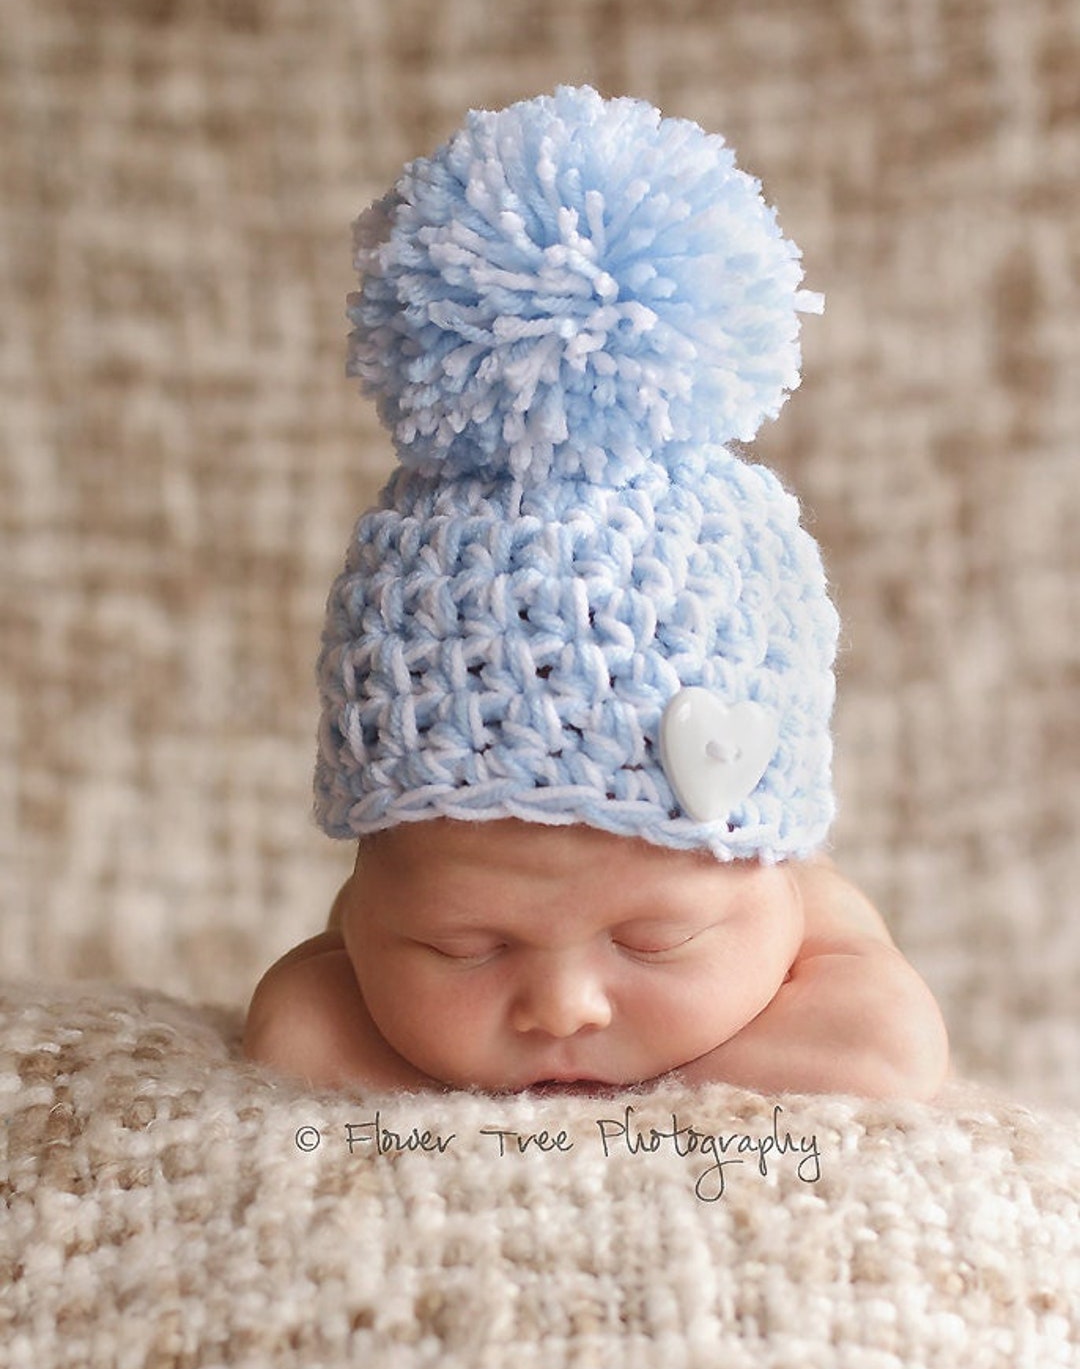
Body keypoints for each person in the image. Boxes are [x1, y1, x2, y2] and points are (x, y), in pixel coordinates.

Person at [244, 86, 948, 1099]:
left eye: (656, 940)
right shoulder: (359, 951)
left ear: (779, 875)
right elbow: (295, 1031)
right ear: (363, 902)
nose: (564, 1005)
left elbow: (887, 1052)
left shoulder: (814, 924)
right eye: (463, 948)